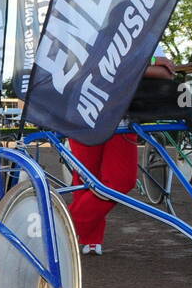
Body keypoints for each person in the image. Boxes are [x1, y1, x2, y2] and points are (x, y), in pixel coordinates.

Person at [67, 47, 178, 255]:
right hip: (83, 113)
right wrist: (150, 61)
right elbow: (94, 68)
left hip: (124, 119)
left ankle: (61, 229)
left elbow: (166, 73)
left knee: (121, 181)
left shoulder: (150, 30)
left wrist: (130, 66)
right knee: (84, 181)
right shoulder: (93, 28)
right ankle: (89, 238)